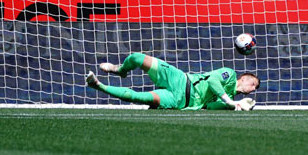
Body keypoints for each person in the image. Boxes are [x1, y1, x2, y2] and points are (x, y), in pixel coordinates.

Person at [86, 52, 260, 110]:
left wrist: (233, 105)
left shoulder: (230, 99)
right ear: (243, 78)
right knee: (137, 58)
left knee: (139, 98)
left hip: (179, 101)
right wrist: (229, 100)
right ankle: (120, 70)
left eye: (255, 89)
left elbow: (209, 106)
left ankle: (98, 85)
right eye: (252, 83)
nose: (252, 89)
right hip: (180, 79)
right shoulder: (229, 74)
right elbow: (213, 80)